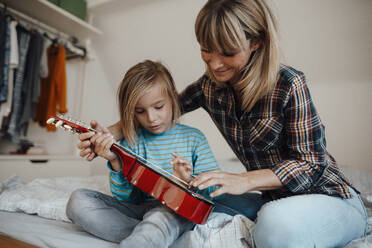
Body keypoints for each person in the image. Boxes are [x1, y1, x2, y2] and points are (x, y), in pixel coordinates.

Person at [77, 0, 368, 247]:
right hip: (267, 201)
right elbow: (164, 105)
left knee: (273, 223)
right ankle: (152, 237)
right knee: (191, 201)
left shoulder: (288, 83)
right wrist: (109, 133)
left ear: (256, 42)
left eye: (227, 53)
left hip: (328, 198)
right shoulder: (211, 86)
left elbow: (312, 164)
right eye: (206, 50)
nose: (215, 64)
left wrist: (244, 180)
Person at [66, 60, 221, 247]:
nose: (151, 118)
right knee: (78, 201)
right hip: (140, 211)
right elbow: (127, 199)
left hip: (174, 210)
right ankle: (155, 235)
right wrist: (116, 162)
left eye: (158, 107)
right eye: (140, 111)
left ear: (173, 98)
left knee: (160, 215)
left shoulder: (194, 138)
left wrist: (186, 182)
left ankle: (153, 233)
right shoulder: (131, 141)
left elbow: (214, 191)